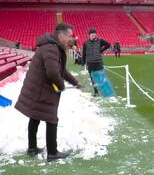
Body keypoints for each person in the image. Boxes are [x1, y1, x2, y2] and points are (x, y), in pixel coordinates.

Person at [15, 23, 83, 162]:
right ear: (61, 35)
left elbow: (61, 71)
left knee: (35, 116)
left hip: (38, 88)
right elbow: (52, 72)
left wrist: (75, 82)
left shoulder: (53, 47)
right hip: (41, 89)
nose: (71, 39)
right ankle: (52, 153)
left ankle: (32, 148)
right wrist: (61, 85)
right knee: (51, 119)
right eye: (69, 36)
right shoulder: (51, 48)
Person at [82, 28, 111, 96]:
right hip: (90, 63)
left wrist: (101, 50)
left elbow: (108, 45)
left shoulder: (100, 41)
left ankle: (105, 91)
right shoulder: (85, 42)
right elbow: (84, 53)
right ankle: (96, 91)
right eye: (92, 35)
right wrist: (83, 61)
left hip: (98, 62)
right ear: (89, 35)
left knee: (101, 76)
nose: (93, 36)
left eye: (94, 35)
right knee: (92, 78)